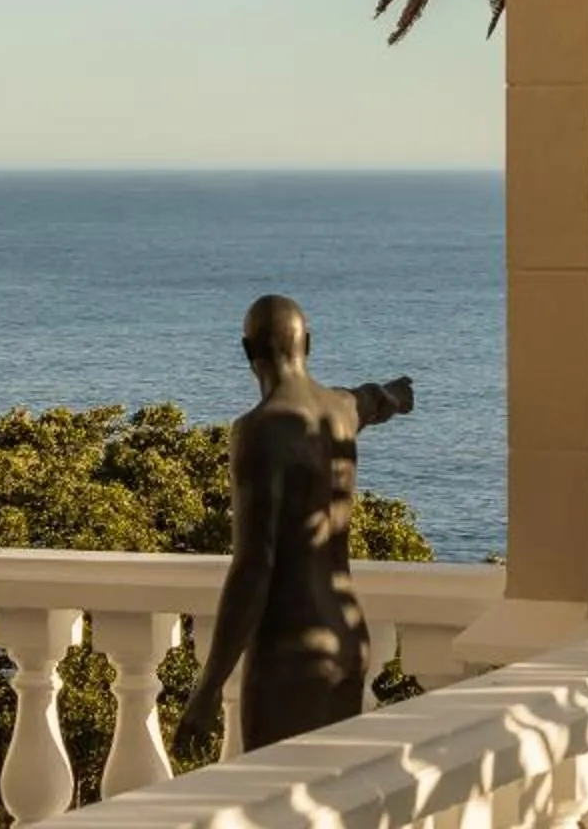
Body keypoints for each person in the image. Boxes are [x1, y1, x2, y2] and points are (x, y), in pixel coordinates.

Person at [172, 294, 415, 760]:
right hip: (346, 641)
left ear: (248, 353)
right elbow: (373, 400)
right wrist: (397, 395)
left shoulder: (260, 430)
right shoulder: (341, 409)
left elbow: (253, 567)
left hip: (292, 650)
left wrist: (208, 688)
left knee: (280, 806)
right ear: (309, 343)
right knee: (333, 803)